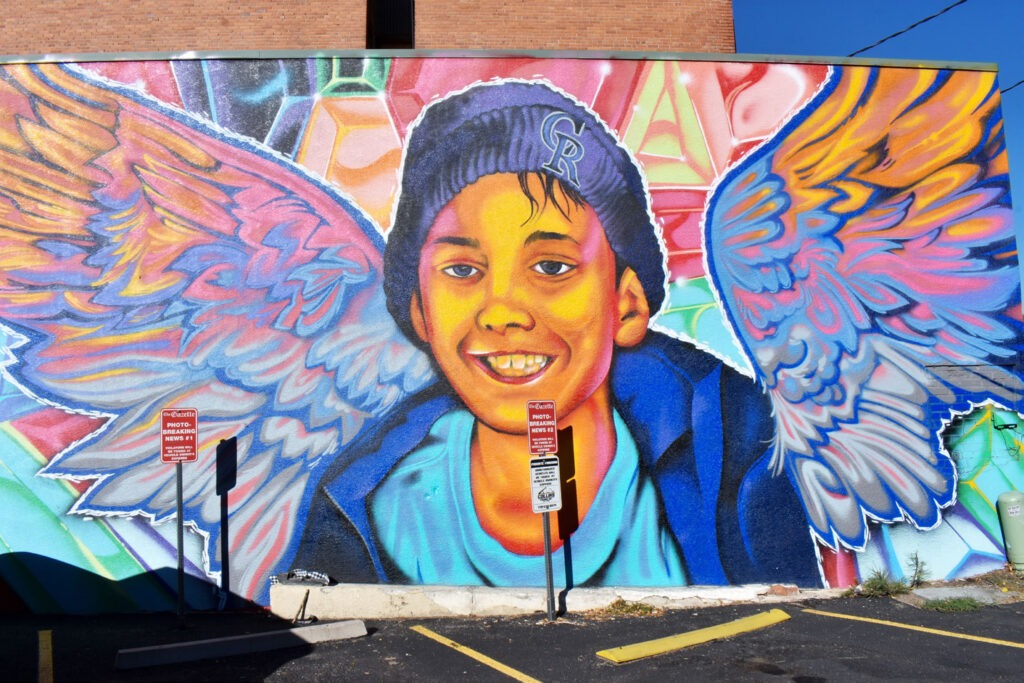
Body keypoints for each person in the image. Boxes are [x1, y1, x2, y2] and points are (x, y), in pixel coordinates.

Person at [292, 80, 821, 587]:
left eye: (551, 267)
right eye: (462, 271)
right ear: (420, 312)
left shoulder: (734, 448)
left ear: (626, 305)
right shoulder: (366, 504)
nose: (502, 312)